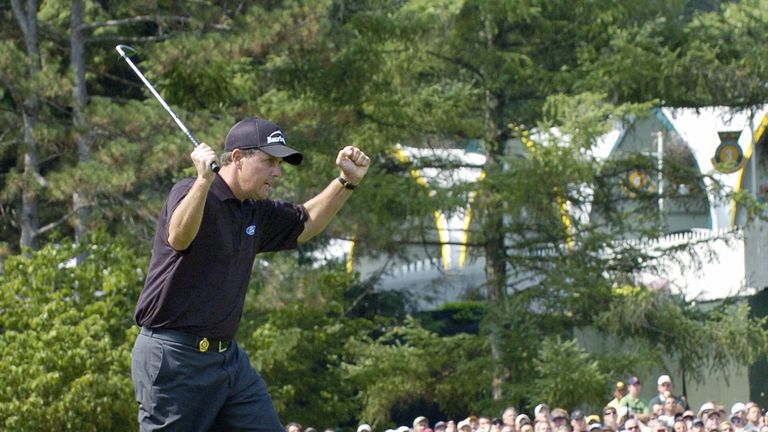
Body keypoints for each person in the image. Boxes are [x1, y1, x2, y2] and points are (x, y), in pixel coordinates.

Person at [130, 117, 371, 431]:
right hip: (173, 358)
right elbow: (179, 236)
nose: (277, 172)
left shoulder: (255, 211)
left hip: (227, 361)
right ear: (237, 158)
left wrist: (346, 182)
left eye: (279, 163)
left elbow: (307, 221)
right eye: (269, 161)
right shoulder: (190, 191)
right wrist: (203, 182)